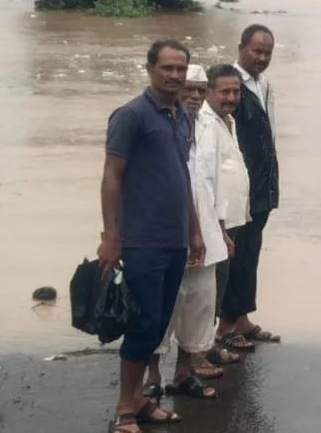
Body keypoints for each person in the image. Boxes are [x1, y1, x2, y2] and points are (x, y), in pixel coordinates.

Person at [100, 40, 205, 433]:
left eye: (181, 69)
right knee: (143, 324)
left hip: (175, 238)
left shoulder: (182, 116)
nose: (175, 75)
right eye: (167, 68)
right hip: (141, 239)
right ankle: (125, 409)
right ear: (149, 69)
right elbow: (111, 177)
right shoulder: (131, 116)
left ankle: (142, 400)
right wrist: (111, 236)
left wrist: (195, 231)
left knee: (159, 324)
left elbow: (183, 178)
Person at [144, 65, 235, 402]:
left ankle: (183, 373)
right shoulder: (159, 125)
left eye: (201, 90)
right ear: (176, 89)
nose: (195, 96)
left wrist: (222, 230)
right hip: (166, 234)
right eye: (189, 89)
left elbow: (214, 183)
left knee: (199, 306)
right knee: (161, 308)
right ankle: (152, 375)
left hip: (207, 234)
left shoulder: (210, 127)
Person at [219, 24, 281, 348]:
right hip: (239, 187)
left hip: (263, 184)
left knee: (251, 252)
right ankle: (226, 326)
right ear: (241, 47)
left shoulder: (265, 84)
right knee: (235, 253)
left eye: (267, 53)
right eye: (257, 51)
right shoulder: (230, 85)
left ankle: (242, 318)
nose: (262, 57)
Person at [196, 65, 252, 348]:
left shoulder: (227, 120)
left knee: (220, 285)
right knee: (209, 290)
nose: (231, 97)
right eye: (224, 91)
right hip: (215, 224)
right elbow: (205, 179)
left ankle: (212, 343)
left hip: (230, 220)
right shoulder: (205, 125)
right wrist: (218, 229)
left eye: (236, 91)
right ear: (208, 92)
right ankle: (201, 352)